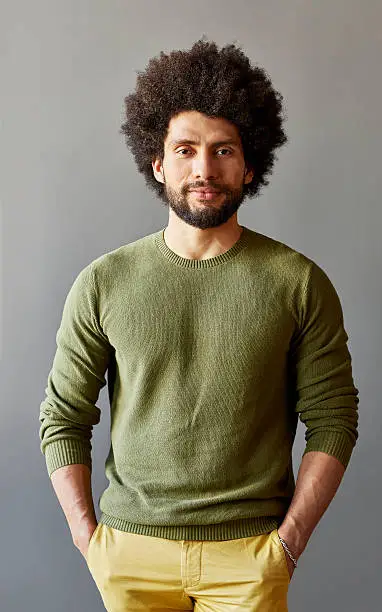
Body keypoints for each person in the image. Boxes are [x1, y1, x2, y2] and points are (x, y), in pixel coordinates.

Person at [39, 38, 359, 611]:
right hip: (129, 554)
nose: (204, 169)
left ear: (250, 163)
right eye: (185, 150)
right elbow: (63, 416)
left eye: (223, 150)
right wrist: (90, 541)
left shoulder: (299, 282)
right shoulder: (103, 282)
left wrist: (289, 543)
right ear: (158, 162)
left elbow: (334, 419)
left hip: (251, 557)